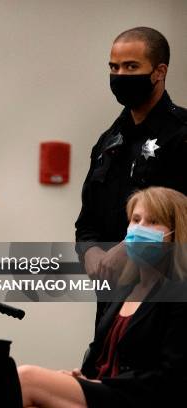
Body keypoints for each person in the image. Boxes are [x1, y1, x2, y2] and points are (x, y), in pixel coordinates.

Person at [19, 186, 187, 407]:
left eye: (153, 221)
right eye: (135, 220)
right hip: (105, 392)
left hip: (137, 397)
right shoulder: (124, 289)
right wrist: (79, 378)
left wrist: (98, 385)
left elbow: (171, 377)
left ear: (176, 234)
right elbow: (99, 354)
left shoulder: (179, 293)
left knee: (26, 378)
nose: (139, 229)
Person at [76, 27, 187, 284]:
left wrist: (129, 248)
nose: (120, 75)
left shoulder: (180, 134)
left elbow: (180, 216)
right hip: (111, 290)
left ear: (159, 72)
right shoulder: (109, 141)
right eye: (114, 68)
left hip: (167, 289)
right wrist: (90, 250)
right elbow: (87, 219)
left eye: (131, 67)